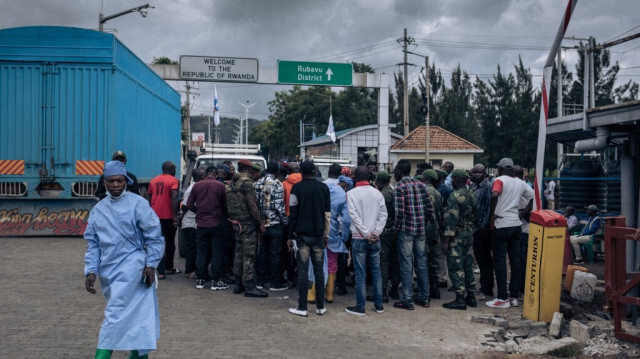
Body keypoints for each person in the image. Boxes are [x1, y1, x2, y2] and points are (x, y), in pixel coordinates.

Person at [84, 160, 164, 359]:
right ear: (104, 182)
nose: (116, 185)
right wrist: (91, 270)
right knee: (132, 317)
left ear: (126, 181)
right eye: (111, 181)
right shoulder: (98, 210)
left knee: (119, 316)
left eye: (120, 180)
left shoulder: (139, 204)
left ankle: (103, 355)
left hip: (135, 271)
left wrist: (151, 264)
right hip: (109, 273)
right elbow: (92, 243)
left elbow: (154, 236)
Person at [486, 158, 534, 309]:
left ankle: (502, 297)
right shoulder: (521, 183)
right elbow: (533, 197)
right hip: (516, 225)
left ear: (500, 168)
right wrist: (521, 213)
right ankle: (514, 296)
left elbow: (494, 195)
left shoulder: (499, 180)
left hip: (501, 224)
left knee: (500, 262)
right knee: (515, 262)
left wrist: (491, 215)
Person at [288, 161, 331, 317]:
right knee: (319, 270)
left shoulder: (296, 188)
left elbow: (292, 214)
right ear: (315, 171)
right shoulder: (323, 188)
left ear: (301, 172)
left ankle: (302, 307)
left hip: (302, 236)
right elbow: (327, 215)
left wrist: (289, 234)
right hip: (319, 235)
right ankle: (320, 307)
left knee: (303, 270)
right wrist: (326, 234)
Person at [345, 166, 387, 315]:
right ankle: (379, 304)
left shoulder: (351, 194)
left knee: (361, 273)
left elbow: (354, 216)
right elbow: (383, 215)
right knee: (376, 272)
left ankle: (360, 306)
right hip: (375, 238)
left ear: (355, 177)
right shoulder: (377, 194)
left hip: (359, 238)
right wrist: (375, 233)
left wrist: (366, 233)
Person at [393, 159, 434, 310]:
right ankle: (424, 297)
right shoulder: (422, 185)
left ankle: (407, 299)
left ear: (399, 171)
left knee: (406, 264)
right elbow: (429, 208)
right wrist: (423, 221)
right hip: (420, 229)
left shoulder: (399, 187)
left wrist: (396, 229)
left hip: (406, 230)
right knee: (421, 263)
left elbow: (399, 212)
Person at [227, 159, 268, 298]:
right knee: (249, 256)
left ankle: (238, 284)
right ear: (248, 169)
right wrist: (261, 223)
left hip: (236, 223)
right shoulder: (247, 183)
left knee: (238, 254)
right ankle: (250, 286)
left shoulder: (233, 182)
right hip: (248, 224)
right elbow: (252, 205)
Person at [187, 166, 229, 291]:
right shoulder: (220, 186)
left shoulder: (197, 186)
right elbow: (225, 204)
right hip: (216, 223)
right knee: (216, 252)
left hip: (201, 224)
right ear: (216, 174)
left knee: (201, 252)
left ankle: (200, 279)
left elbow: (189, 204)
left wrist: (199, 211)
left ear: (205, 174)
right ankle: (216, 281)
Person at [442, 170, 478, 310]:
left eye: (453, 179)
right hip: (469, 233)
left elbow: (451, 220)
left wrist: (446, 241)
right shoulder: (472, 194)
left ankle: (459, 299)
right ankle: (471, 296)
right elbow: (477, 214)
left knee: (456, 266)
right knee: (468, 264)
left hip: (456, 236)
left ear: (457, 180)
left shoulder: (454, 196)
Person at [254, 161, 288, 291]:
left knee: (261, 253)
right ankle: (274, 282)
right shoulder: (277, 184)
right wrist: (285, 221)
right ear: (277, 172)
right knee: (274, 254)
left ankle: (260, 281)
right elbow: (279, 207)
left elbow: (254, 205)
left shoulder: (256, 183)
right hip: (274, 224)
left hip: (260, 224)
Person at [368, 171, 399, 303]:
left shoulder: (383, 195)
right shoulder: (394, 191)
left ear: (380, 182)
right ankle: (395, 289)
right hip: (395, 231)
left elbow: (378, 214)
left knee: (383, 262)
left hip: (385, 231)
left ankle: (382, 292)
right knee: (395, 261)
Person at [148, 161, 180, 279]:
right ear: (171, 169)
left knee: (158, 242)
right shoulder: (173, 180)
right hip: (168, 217)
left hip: (155, 217)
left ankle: (160, 271)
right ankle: (169, 268)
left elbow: (149, 198)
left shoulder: (153, 180)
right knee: (170, 242)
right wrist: (175, 215)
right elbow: (175, 196)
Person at [324, 176, 351, 303]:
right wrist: (344, 238)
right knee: (332, 262)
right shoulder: (342, 194)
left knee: (314, 262)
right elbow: (346, 219)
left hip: (317, 228)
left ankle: (312, 293)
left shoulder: (322, 186)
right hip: (333, 230)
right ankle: (330, 295)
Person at [470, 164, 494, 300]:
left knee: (485, 260)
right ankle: (483, 284)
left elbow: (488, 209)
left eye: (479, 172)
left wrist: (483, 227)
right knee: (479, 259)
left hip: (482, 229)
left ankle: (487, 288)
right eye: (474, 172)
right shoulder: (474, 186)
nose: (475, 174)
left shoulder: (488, 187)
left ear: (484, 173)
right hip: (475, 228)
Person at [180, 168, 205, 280]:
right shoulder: (191, 189)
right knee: (191, 248)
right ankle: (189, 271)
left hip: (194, 222)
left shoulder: (198, 187)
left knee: (195, 247)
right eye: (203, 175)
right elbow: (185, 206)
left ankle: (193, 269)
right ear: (198, 177)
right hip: (189, 223)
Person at [422, 169, 443, 300]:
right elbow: (440, 214)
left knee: (422, 260)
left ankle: (425, 289)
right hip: (435, 230)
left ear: (425, 178)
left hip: (424, 229)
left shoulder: (423, 191)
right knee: (433, 260)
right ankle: (435, 288)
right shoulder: (437, 193)